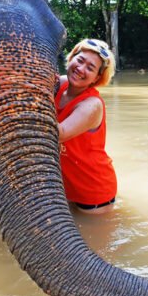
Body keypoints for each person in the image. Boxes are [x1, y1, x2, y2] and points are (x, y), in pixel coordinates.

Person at [55, 39, 117, 215]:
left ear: (97, 78)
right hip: (67, 188)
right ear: (71, 57)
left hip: (94, 192)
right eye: (80, 60)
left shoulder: (92, 105)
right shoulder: (59, 84)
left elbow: (60, 133)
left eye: (90, 68)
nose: (81, 69)